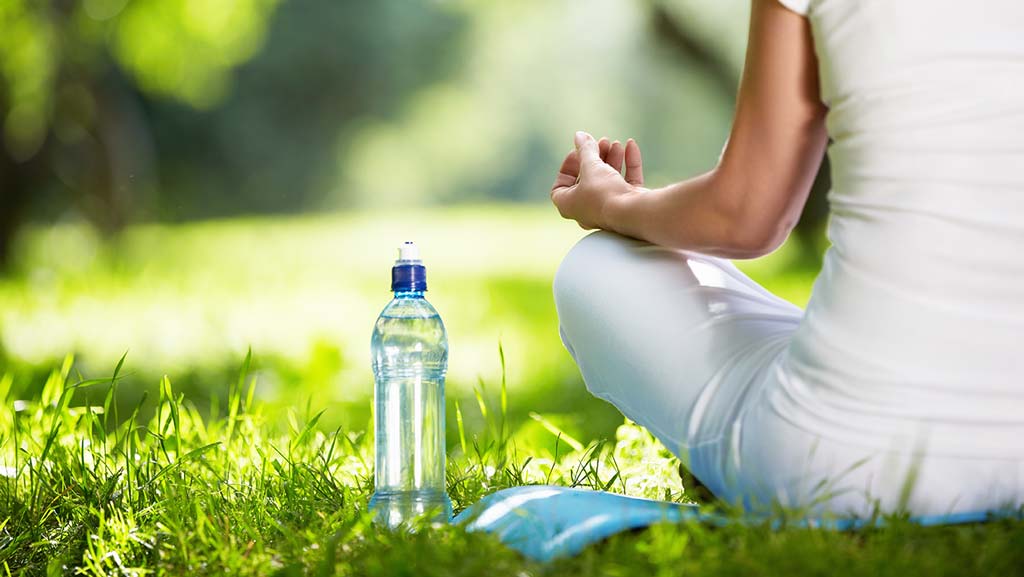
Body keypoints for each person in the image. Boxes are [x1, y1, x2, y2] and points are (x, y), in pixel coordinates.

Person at [549, 0, 1024, 516]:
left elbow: (744, 216)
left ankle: (725, 470)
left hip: (841, 467)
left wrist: (613, 204)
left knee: (601, 267)